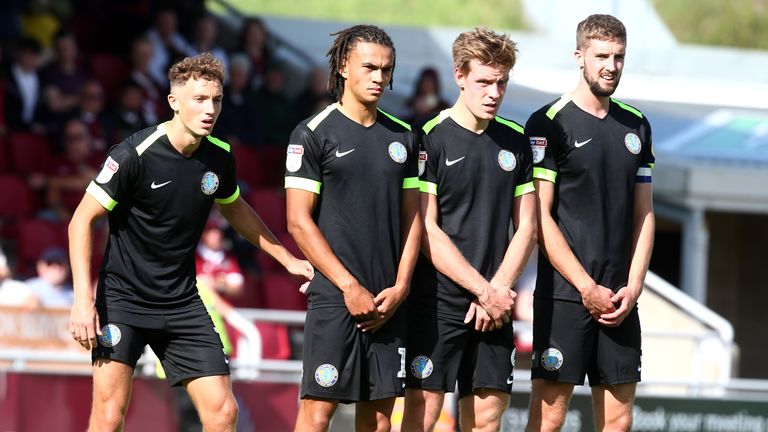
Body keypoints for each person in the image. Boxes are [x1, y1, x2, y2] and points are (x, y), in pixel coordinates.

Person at [68, 53, 314, 432]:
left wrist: (287, 259)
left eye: (216, 99)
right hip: (123, 300)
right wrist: (83, 301)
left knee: (223, 412)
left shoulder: (220, 155)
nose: (210, 108)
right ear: (173, 102)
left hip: (181, 301)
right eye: (199, 99)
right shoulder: (133, 154)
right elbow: (81, 221)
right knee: (109, 416)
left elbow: (235, 210)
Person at [285, 24, 422, 432]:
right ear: (344, 66)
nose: (379, 77)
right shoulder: (312, 134)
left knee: (380, 419)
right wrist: (348, 286)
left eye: (386, 69)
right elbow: (297, 221)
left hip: (387, 300)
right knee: (317, 413)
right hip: (335, 296)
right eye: (369, 67)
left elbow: (413, 219)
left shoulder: (404, 137)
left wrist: (402, 286)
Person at [523, 14, 655, 432]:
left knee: (618, 421)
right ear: (579, 56)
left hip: (620, 299)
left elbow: (645, 214)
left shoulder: (636, 125)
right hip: (565, 297)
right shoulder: (548, 122)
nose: (611, 66)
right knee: (548, 419)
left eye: (619, 57)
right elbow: (539, 218)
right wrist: (584, 286)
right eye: (601, 56)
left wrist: (633, 286)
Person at [402, 27, 537, 432]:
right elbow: (426, 229)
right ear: (459, 76)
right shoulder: (427, 137)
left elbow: (527, 226)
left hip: (495, 306)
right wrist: (484, 290)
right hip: (438, 303)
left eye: (502, 83)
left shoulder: (516, 141)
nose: (494, 93)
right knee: (420, 420)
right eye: (484, 82)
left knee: (485, 421)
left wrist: (497, 291)